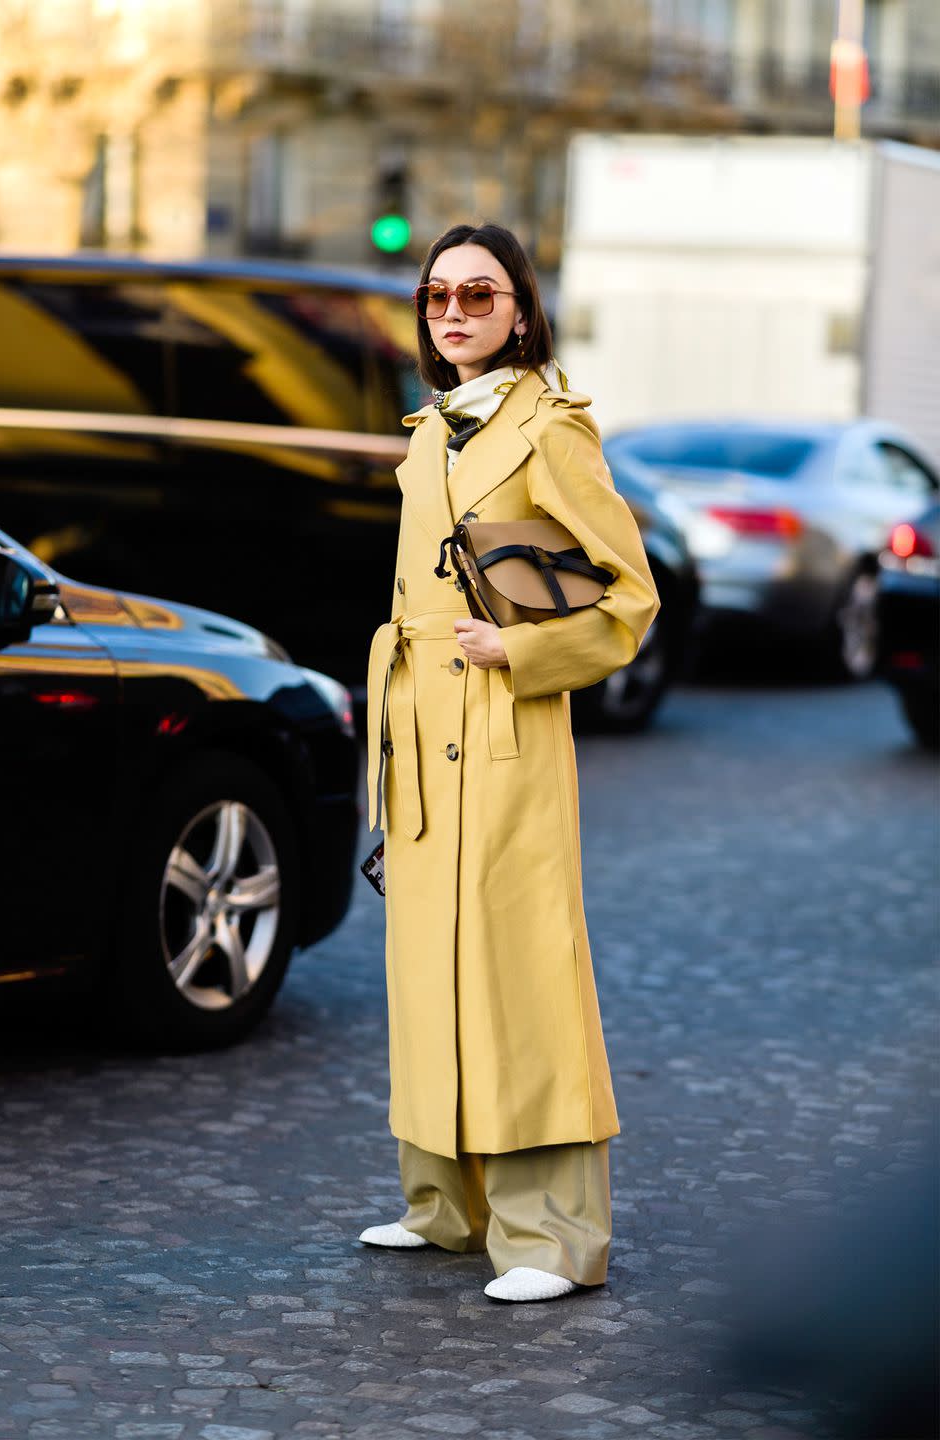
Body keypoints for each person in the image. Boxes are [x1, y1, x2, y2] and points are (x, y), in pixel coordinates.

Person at [360, 222, 660, 1303]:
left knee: (523, 976)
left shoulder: (552, 430)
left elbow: (632, 598)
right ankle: (446, 1207)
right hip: (421, 737)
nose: (452, 312)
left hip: (507, 731)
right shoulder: (431, 429)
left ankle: (551, 1238)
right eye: (437, 294)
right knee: (428, 969)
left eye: (477, 295)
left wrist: (524, 649)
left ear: (521, 310)